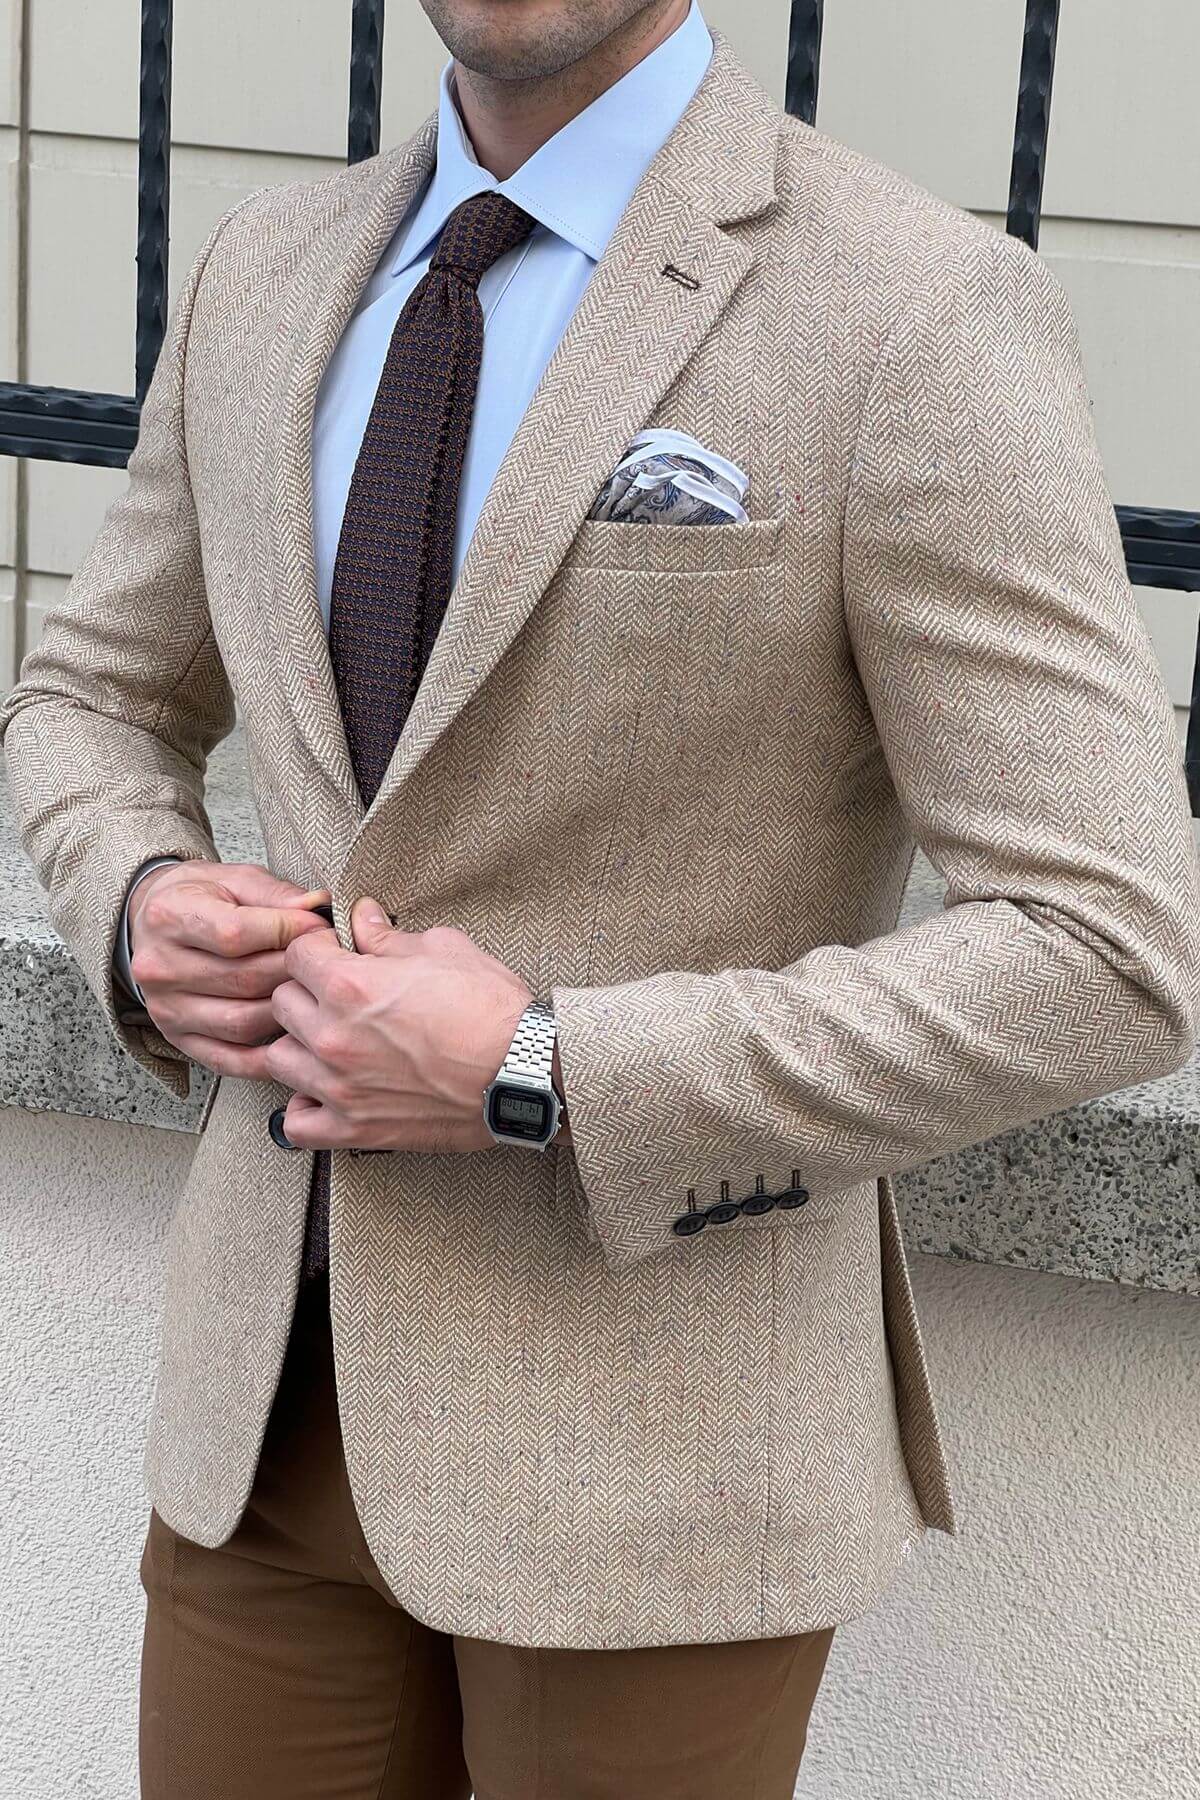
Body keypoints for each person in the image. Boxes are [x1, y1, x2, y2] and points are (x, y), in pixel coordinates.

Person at [4, 0, 1199, 1793]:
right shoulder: (263, 268)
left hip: (658, 1457)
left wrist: (545, 1066)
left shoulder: (918, 307)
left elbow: (1108, 949)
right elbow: (90, 696)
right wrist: (138, 898)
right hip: (263, 1409)